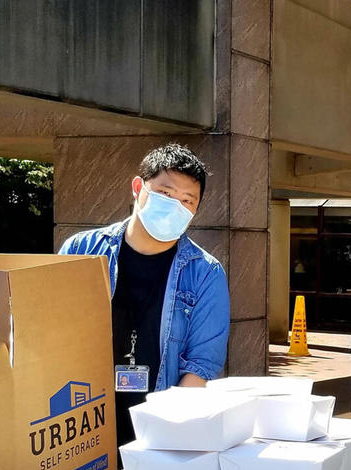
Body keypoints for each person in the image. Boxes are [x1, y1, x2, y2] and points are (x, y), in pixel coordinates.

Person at [59, 143, 230, 447]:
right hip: (79, 429)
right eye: (165, 194)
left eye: (187, 201)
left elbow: (201, 367)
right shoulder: (81, 251)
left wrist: (162, 441)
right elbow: (49, 334)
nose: (175, 206)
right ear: (138, 188)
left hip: (157, 432)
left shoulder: (205, 273)